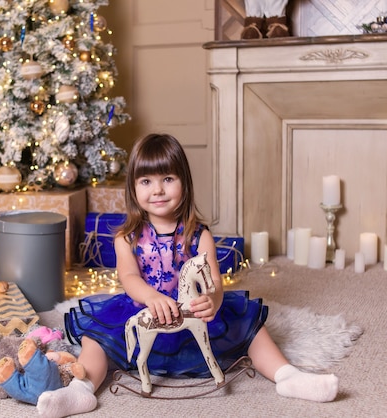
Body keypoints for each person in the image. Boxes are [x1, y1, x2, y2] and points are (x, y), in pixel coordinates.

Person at [37, 133, 338, 417]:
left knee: (251, 327)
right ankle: (81, 389)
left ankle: (287, 376)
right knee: (97, 338)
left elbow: (214, 280)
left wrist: (213, 299)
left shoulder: (198, 234)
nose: (157, 190)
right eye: (146, 181)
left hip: (191, 310)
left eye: (168, 179)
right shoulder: (127, 237)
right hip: (145, 306)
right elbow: (129, 278)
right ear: (133, 188)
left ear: (184, 183)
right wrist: (152, 297)